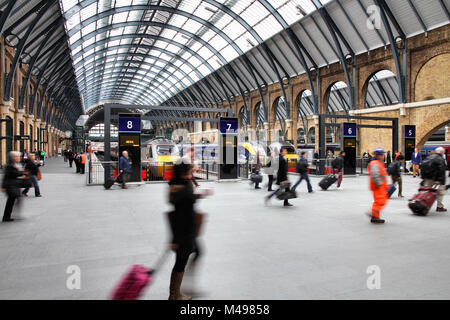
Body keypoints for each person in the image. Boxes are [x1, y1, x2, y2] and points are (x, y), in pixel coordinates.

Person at [167, 163, 209, 300]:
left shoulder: (178, 187)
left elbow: (187, 199)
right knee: (181, 262)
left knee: (187, 258)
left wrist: (200, 195)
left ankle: (175, 293)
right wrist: (174, 239)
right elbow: (180, 214)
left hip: (185, 232)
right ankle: (175, 295)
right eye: (190, 171)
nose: (193, 172)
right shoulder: (183, 190)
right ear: (184, 173)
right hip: (184, 234)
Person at [1, 152, 29, 222]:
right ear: (13, 158)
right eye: (18, 157)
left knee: (11, 201)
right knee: (14, 200)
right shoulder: (10, 166)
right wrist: (22, 173)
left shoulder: (14, 165)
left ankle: (7, 216)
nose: (19, 158)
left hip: (14, 185)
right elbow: (8, 175)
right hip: (11, 186)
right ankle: (8, 216)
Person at [421, 147, 447, 212]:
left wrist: (424, 177)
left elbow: (423, 166)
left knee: (427, 191)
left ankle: (424, 203)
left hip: (428, 178)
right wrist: (439, 180)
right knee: (441, 192)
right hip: (436, 179)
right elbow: (441, 170)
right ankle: (439, 206)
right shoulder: (440, 159)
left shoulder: (429, 157)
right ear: (442, 152)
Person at [368, 148, 389, 224]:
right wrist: (379, 184)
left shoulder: (378, 163)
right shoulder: (375, 163)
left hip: (380, 186)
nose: (383, 156)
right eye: (382, 155)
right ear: (378, 155)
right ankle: (373, 214)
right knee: (380, 201)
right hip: (378, 186)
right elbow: (375, 175)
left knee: (380, 201)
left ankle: (375, 216)